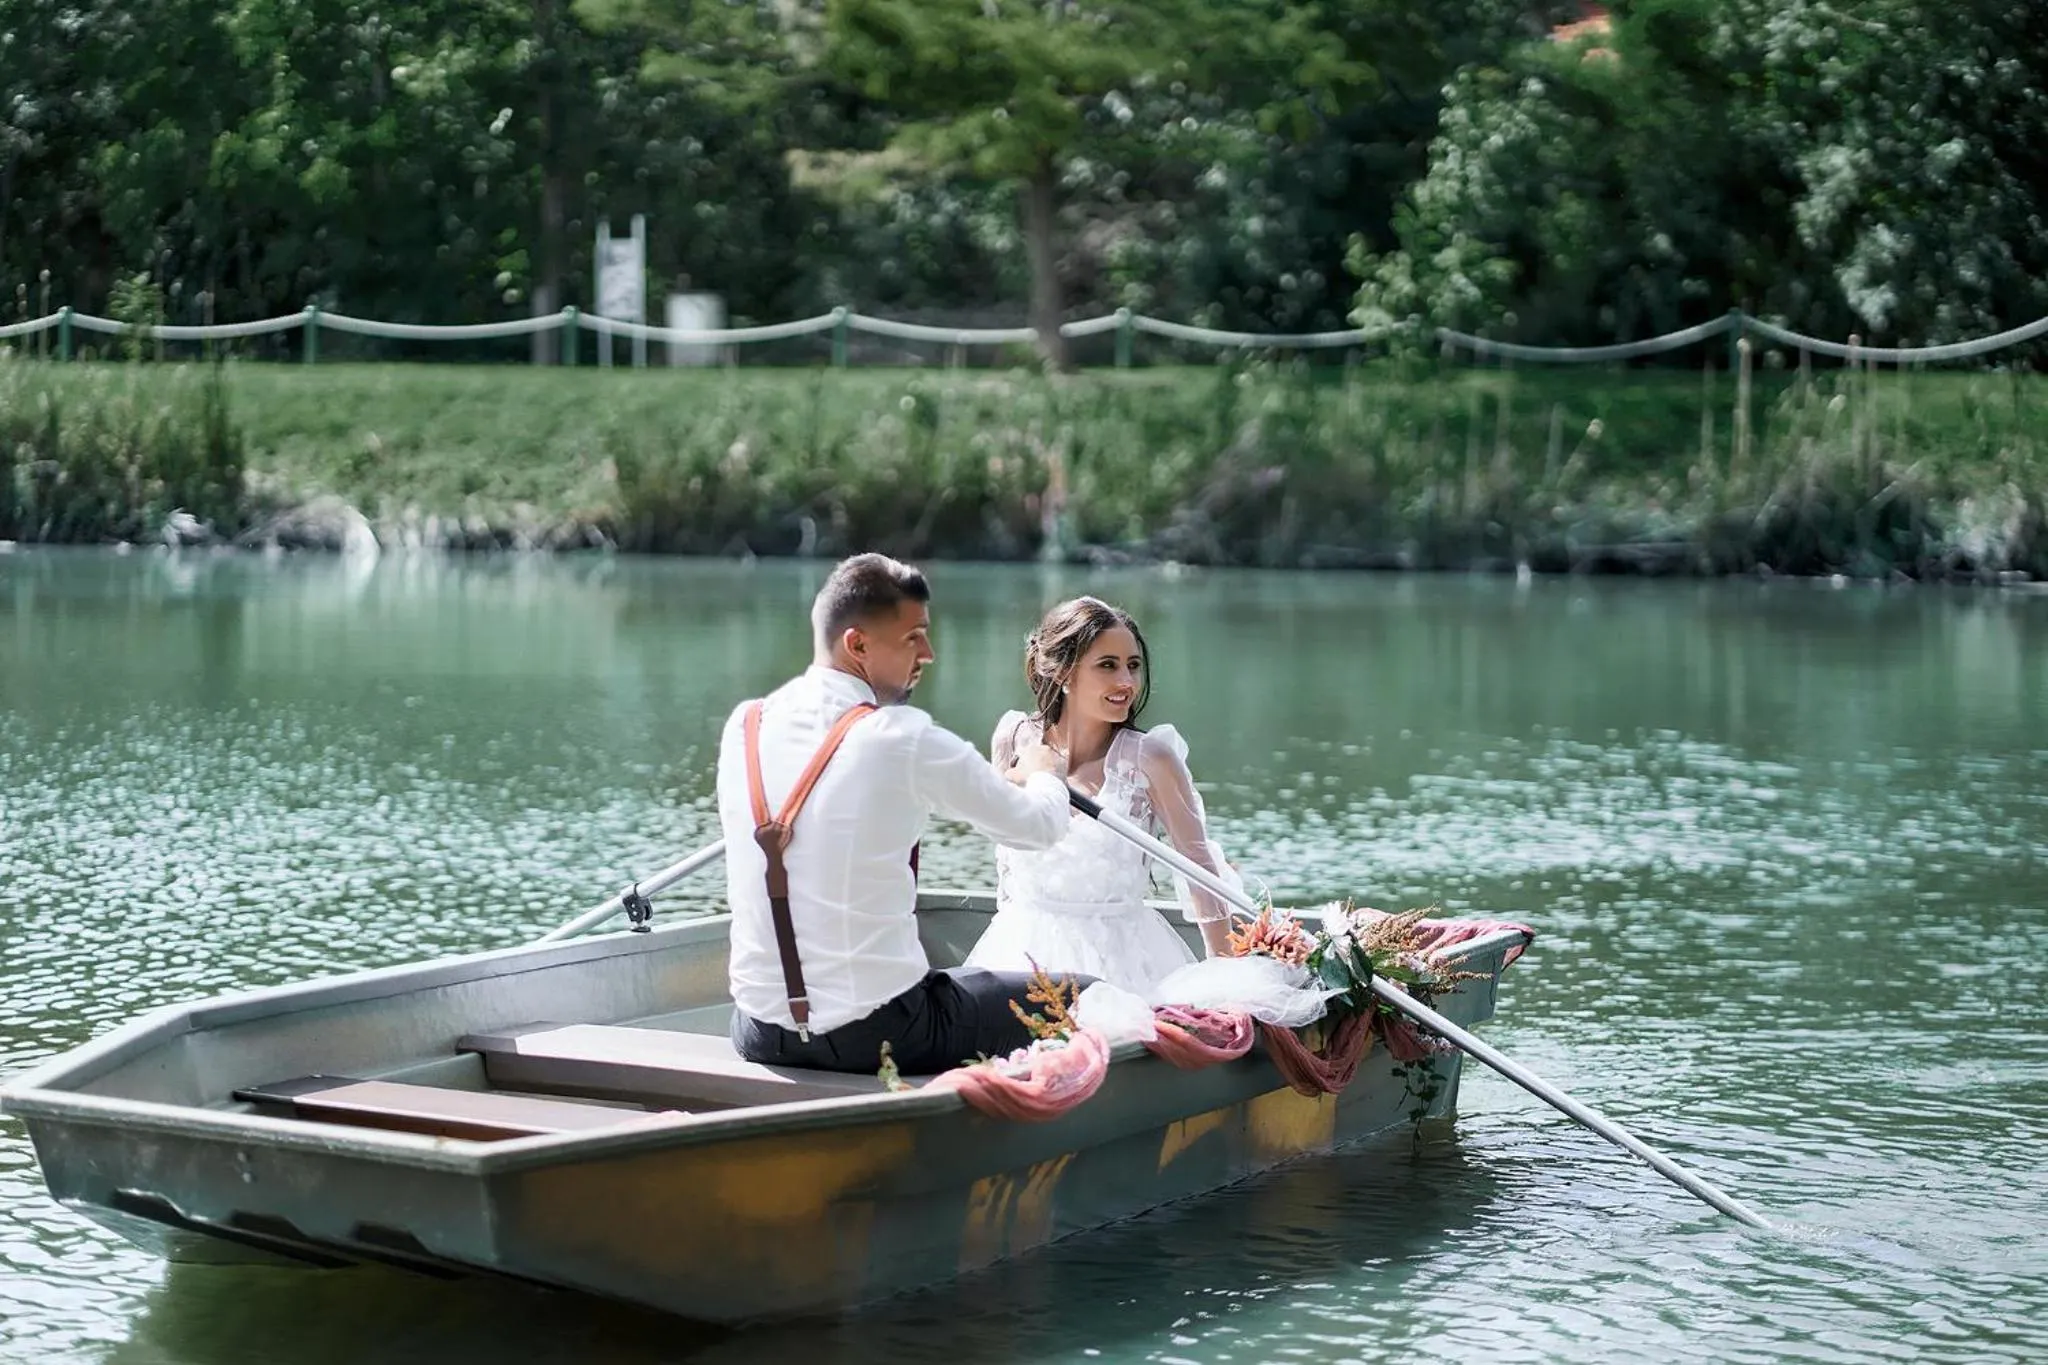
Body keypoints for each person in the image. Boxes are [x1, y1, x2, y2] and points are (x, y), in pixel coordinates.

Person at [718, 552, 1083, 1076]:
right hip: (882, 1033)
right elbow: (1039, 827)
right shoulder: (903, 738)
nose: (929, 653)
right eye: (914, 636)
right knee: (1082, 998)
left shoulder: (744, 725)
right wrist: (1047, 770)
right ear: (858, 645)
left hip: (757, 1031)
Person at [965, 596, 1236, 995]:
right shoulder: (1014, 738)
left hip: (1123, 964)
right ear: (1062, 672)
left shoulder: (1151, 759)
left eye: (1133, 665)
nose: (1126, 682)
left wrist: (1226, 980)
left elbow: (1199, 869)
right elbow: (1004, 860)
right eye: (1108, 665)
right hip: (1019, 950)